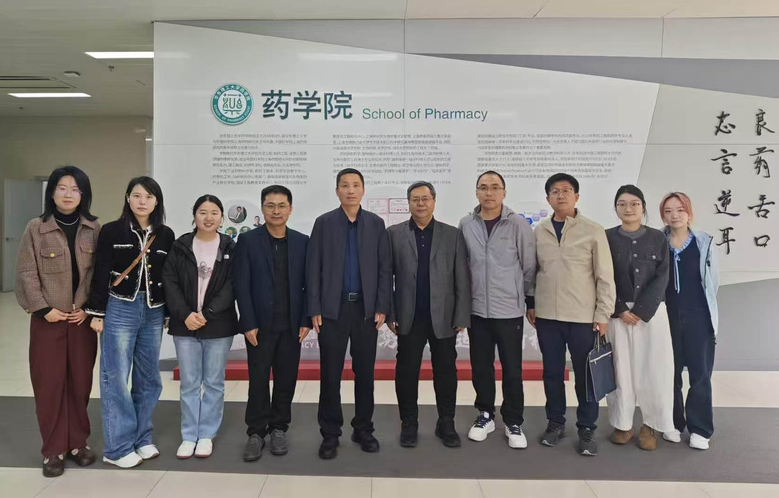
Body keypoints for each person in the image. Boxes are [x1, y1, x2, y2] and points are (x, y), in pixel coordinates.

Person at [15, 166, 100, 477]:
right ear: (51, 192)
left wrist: (89, 309)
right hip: (48, 320)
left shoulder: (94, 228)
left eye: (75, 189)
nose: (68, 194)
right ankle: (53, 449)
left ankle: (77, 442)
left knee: (80, 383)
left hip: (81, 320)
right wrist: (42, 309)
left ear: (83, 195)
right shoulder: (36, 228)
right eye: (62, 188)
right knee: (49, 384)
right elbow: (26, 273)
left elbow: (99, 274)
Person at [87, 176, 175, 468]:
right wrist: (97, 313)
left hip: (153, 310)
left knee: (149, 378)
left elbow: (168, 275)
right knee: (116, 377)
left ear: (156, 202)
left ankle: (141, 437)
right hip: (120, 307)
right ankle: (117, 447)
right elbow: (100, 271)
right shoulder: (112, 231)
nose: (142, 201)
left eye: (148, 197)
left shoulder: (165, 234)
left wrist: (168, 312)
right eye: (137, 195)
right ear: (127, 198)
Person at [526, 172, 615, 457]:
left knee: (585, 376)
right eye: (554, 191)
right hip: (548, 317)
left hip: (583, 318)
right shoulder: (539, 231)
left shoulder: (593, 230)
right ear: (548, 198)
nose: (560, 195)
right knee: (552, 373)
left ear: (576, 196)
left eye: (566, 190)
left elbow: (605, 277)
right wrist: (531, 303)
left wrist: (602, 314)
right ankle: (555, 423)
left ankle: (587, 428)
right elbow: (533, 272)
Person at [307, 168, 391, 459]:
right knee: (330, 373)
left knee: (364, 373)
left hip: (366, 311)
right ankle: (330, 433)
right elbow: (313, 268)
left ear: (363, 190)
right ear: (337, 191)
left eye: (356, 185)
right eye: (345, 185)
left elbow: (384, 268)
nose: (351, 190)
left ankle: (363, 429)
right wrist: (315, 308)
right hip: (333, 310)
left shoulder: (376, 224)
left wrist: (382, 306)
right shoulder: (324, 223)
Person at [387, 181, 470, 448]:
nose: (420, 204)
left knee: (445, 372)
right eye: (415, 199)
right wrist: (390, 313)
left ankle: (446, 422)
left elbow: (462, 277)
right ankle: (408, 423)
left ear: (434, 201)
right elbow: (386, 277)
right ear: (409, 203)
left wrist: (462, 314)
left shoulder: (452, 235)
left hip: (444, 316)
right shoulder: (394, 234)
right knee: (406, 372)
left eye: (425, 199)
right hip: (408, 316)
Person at [458, 170, 536, 449]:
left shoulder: (518, 224)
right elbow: (462, 267)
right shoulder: (466, 224)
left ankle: (513, 421)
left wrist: (528, 300)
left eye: (494, 187)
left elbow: (529, 266)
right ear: (476, 192)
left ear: (504, 192)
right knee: (481, 366)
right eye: (483, 187)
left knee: (512, 369)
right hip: (477, 310)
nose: (488, 192)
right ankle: (485, 415)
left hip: (509, 310)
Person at [235, 185, 311, 461]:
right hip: (259, 326)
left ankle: (279, 428)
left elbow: (309, 284)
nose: (276, 211)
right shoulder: (248, 241)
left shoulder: (302, 242)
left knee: (286, 379)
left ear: (290, 209)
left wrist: (305, 319)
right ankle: (256, 432)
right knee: (258, 380)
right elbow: (241, 284)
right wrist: (248, 322)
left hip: (291, 325)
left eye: (281, 206)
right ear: (262, 208)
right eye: (270, 205)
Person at [162, 195, 238, 459]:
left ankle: (206, 434)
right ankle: (189, 435)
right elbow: (169, 281)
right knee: (189, 383)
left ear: (222, 217)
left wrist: (207, 313)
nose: (208, 217)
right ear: (194, 215)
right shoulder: (180, 245)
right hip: (185, 325)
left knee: (214, 382)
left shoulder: (230, 247)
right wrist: (185, 314)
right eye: (203, 212)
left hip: (218, 324)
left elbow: (233, 284)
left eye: (214, 212)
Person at [605, 185, 674, 451]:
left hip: (651, 314)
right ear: (616, 208)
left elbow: (662, 276)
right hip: (617, 314)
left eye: (634, 203)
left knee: (653, 369)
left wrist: (641, 310)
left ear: (643, 207)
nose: (628, 208)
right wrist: (620, 308)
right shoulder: (606, 237)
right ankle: (622, 424)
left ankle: (650, 426)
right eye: (622, 204)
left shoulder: (658, 238)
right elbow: (601, 275)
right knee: (620, 368)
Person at [660, 192, 719, 451]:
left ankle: (700, 429)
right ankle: (672, 423)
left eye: (680, 210)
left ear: (689, 213)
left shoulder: (704, 242)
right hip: (666, 318)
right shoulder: (657, 242)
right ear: (663, 215)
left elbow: (712, 283)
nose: (675, 215)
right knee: (669, 374)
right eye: (668, 211)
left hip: (699, 317)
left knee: (700, 374)